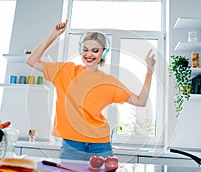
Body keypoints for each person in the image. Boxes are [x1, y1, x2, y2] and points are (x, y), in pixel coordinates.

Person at [26, 20, 156, 160]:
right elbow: (31, 61)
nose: (89, 54)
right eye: (85, 49)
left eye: (95, 50)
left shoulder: (109, 81)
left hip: (100, 144)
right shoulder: (65, 71)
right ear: (80, 50)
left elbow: (140, 101)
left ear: (103, 53)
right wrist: (54, 35)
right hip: (71, 144)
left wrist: (149, 72)